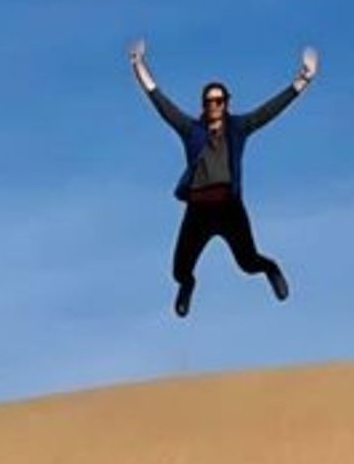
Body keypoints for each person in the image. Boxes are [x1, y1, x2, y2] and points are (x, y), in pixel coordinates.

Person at [129, 38, 318, 316]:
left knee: (247, 262)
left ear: (226, 103)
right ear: (204, 105)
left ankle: (271, 269)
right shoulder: (191, 130)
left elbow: (269, 111)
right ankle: (188, 286)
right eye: (209, 101)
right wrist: (138, 64)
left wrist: (302, 82)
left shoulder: (238, 128)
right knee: (179, 269)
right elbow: (159, 100)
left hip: (228, 207)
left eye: (219, 100)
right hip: (198, 210)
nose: (214, 105)